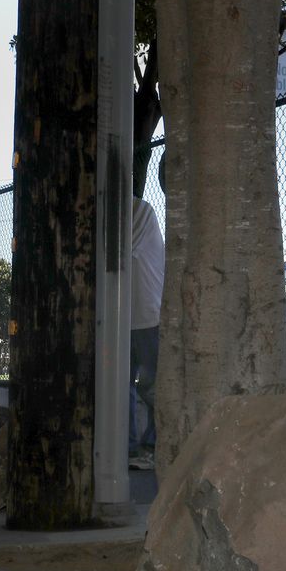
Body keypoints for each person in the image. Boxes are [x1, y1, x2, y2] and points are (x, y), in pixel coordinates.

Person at [128, 198, 166, 470]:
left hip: (146, 314)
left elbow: (123, 252)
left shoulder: (139, 211)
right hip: (131, 315)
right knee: (130, 385)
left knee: (151, 383)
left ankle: (150, 445)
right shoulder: (137, 210)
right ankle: (135, 446)